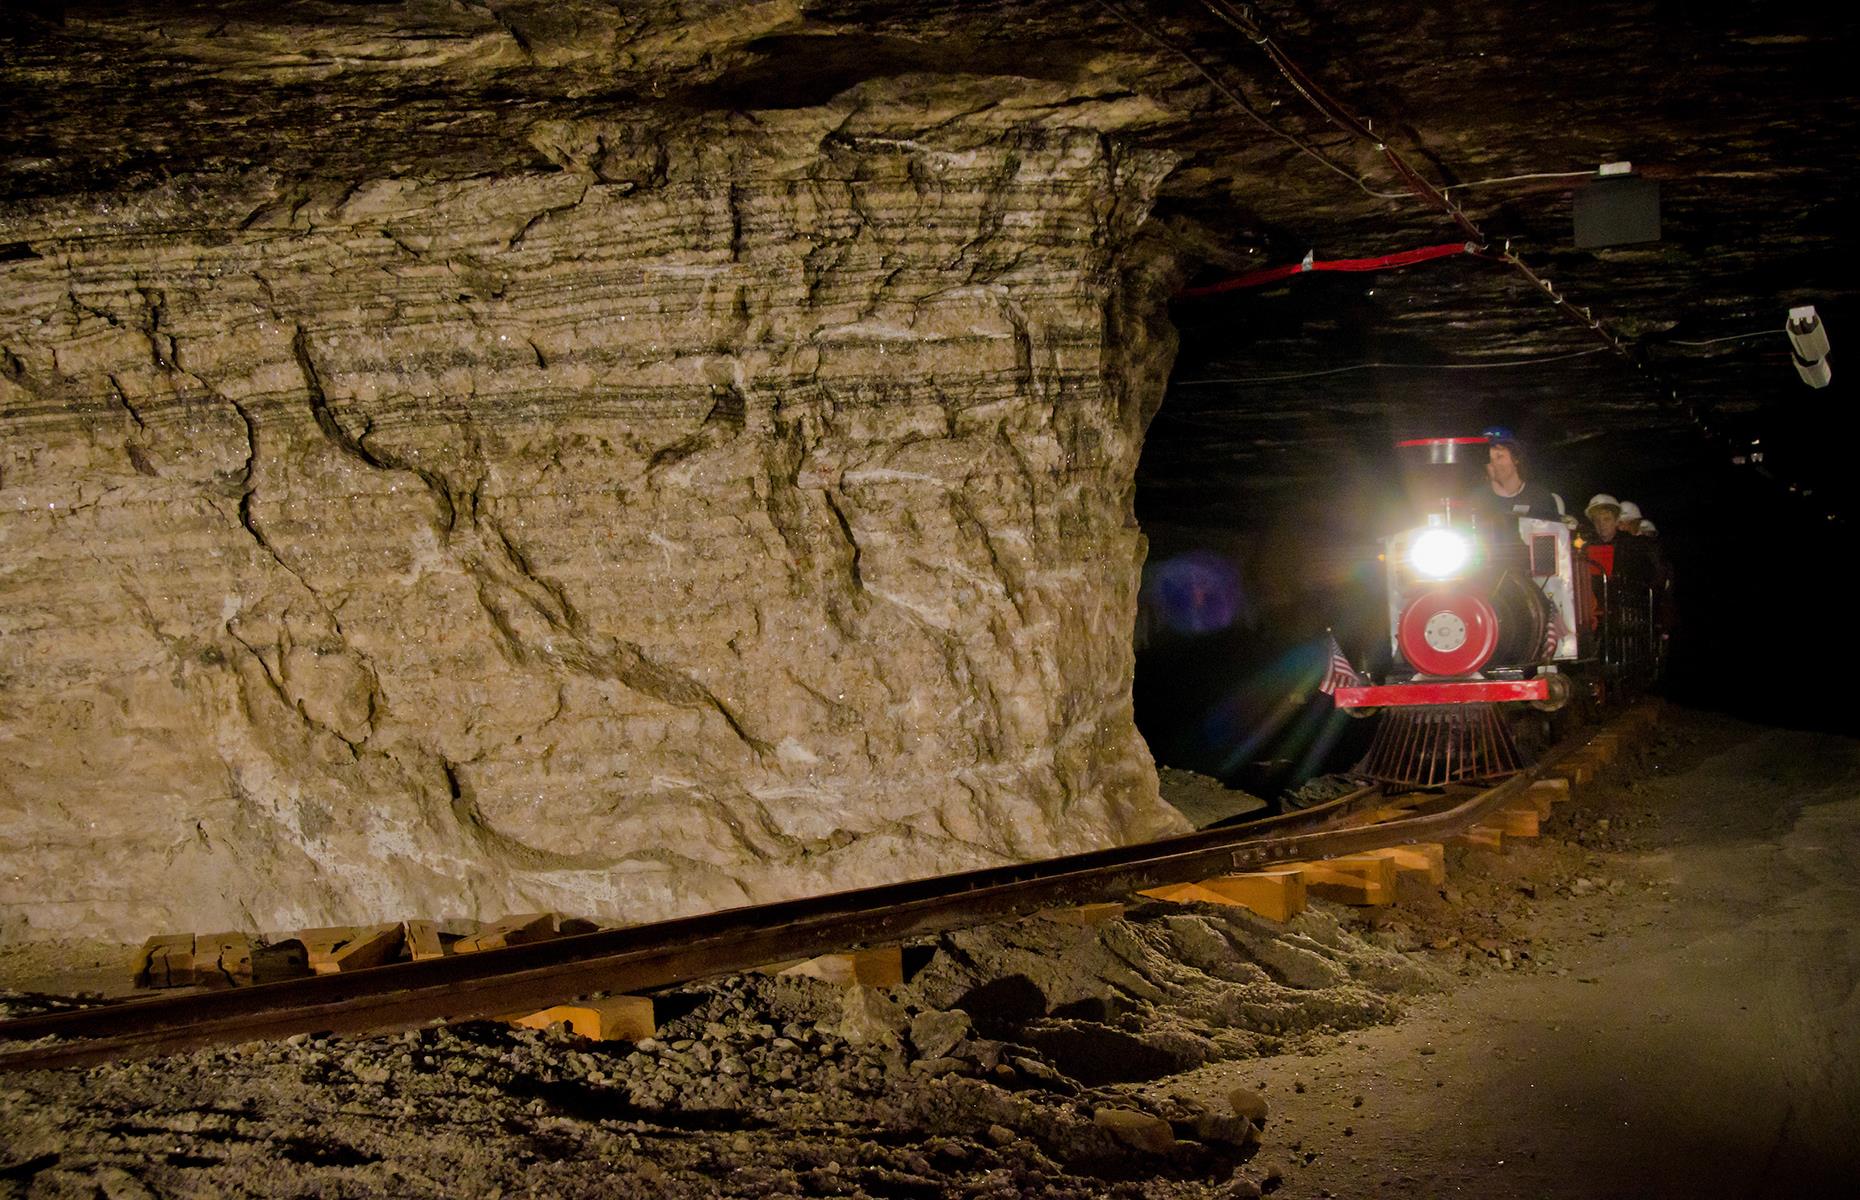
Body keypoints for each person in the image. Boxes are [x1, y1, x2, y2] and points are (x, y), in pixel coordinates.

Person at [1467, 428, 1564, 527]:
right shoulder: (1476, 499)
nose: (1494, 463)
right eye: (1488, 459)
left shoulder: (1540, 497)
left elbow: (1552, 537)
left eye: (1499, 456)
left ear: (1516, 458)